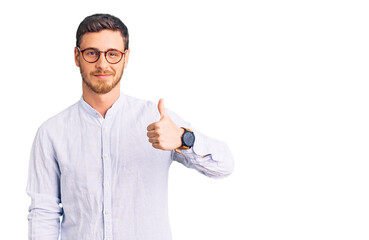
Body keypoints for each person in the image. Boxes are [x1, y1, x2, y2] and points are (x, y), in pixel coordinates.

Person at [26, 13, 234, 240]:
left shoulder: (156, 119)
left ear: (126, 58)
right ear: (77, 56)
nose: (102, 63)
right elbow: (43, 212)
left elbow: (225, 165)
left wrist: (183, 139)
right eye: (92, 53)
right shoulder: (51, 133)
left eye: (112, 54)